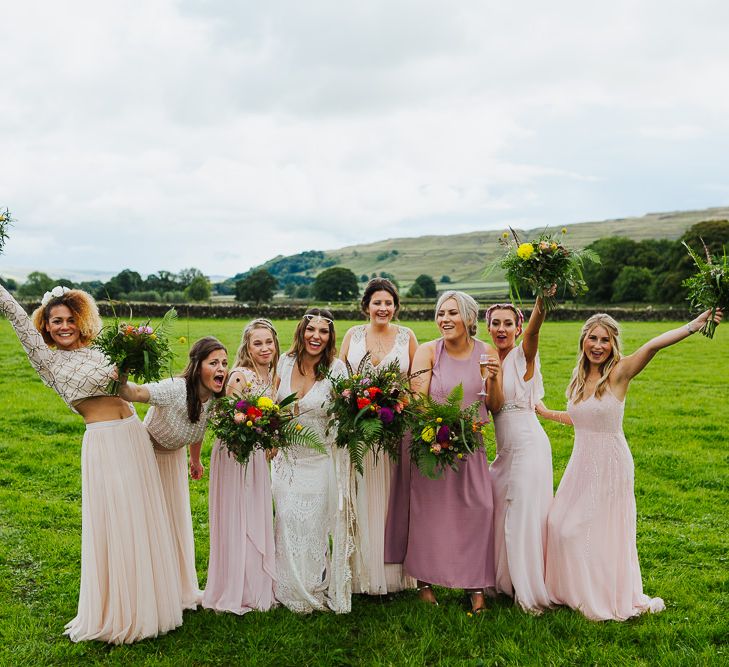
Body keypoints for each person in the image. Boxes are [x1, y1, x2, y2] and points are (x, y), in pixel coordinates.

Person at [0, 284, 182, 643]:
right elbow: (15, 316)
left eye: (70, 319)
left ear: (80, 320)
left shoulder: (101, 348)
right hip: (105, 443)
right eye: (56, 321)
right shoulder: (47, 360)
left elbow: (124, 386)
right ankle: (119, 611)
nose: (63, 326)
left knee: (141, 516)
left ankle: (152, 604)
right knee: (116, 521)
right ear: (46, 326)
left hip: (133, 435)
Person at [537, 309, 723, 621]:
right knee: (559, 525)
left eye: (605, 340)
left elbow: (652, 346)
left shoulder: (619, 373)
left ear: (613, 344)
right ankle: (573, 592)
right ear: (583, 340)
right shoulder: (580, 376)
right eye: (593, 338)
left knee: (596, 530)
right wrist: (546, 413)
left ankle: (601, 595)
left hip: (610, 463)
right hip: (581, 463)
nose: (598, 345)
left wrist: (694, 325)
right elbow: (581, 418)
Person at [387, 291, 503, 613]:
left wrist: (492, 380)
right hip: (431, 442)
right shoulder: (428, 352)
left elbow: (494, 406)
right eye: (440, 313)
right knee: (430, 515)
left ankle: (475, 584)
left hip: (472, 444)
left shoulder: (487, 352)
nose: (444, 319)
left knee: (479, 510)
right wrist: (442, 430)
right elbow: (418, 398)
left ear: (468, 318)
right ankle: (424, 582)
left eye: (452, 313)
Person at [117, 337, 228, 611]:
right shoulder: (176, 389)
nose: (221, 368)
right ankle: (146, 592)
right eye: (214, 362)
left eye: (224, 363)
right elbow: (136, 393)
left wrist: (195, 458)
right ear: (197, 366)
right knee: (148, 524)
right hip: (145, 457)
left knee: (172, 522)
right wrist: (123, 371)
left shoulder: (215, 400)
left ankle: (174, 586)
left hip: (173, 459)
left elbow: (197, 426)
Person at [271, 308, 353, 613]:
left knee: (314, 524)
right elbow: (272, 404)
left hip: (319, 458)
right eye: (311, 330)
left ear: (330, 337)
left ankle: (314, 585)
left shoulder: (337, 369)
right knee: (288, 519)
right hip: (286, 457)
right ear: (301, 332)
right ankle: (287, 587)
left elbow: (343, 416)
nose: (315, 337)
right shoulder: (285, 361)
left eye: (323, 332)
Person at [339, 278, 417, 595]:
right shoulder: (353, 335)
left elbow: (414, 383)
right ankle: (363, 573)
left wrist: (399, 408)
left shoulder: (407, 336)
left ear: (395, 307)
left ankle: (395, 575)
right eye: (377, 302)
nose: (383, 308)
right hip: (360, 429)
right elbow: (339, 377)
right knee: (363, 494)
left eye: (388, 303)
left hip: (395, 429)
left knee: (393, 498)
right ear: (366, 306)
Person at [202, 319, 278, 614]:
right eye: (257, 343)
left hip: (257, 454)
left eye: (268, 342)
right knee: (240, 515)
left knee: (256, 513)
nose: (264, 348)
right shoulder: (239, 376)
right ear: (247, 346)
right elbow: (224, 421)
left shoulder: (271, 375)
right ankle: (238, 586)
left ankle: (258, 582)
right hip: (236, 455)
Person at [486, 295, 553, 613]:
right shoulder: (485, 361)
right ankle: (503, 583)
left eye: (508, 323)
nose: (502, 328)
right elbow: (491, 407)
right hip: (504, 453)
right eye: (495, 323)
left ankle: (527, 588)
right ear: (487, 328)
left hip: (529, 446)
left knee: (522, 515)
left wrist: (542, 298)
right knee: (498, 512)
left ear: (518, 327)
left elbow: (536, 332)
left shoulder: (524, 355)